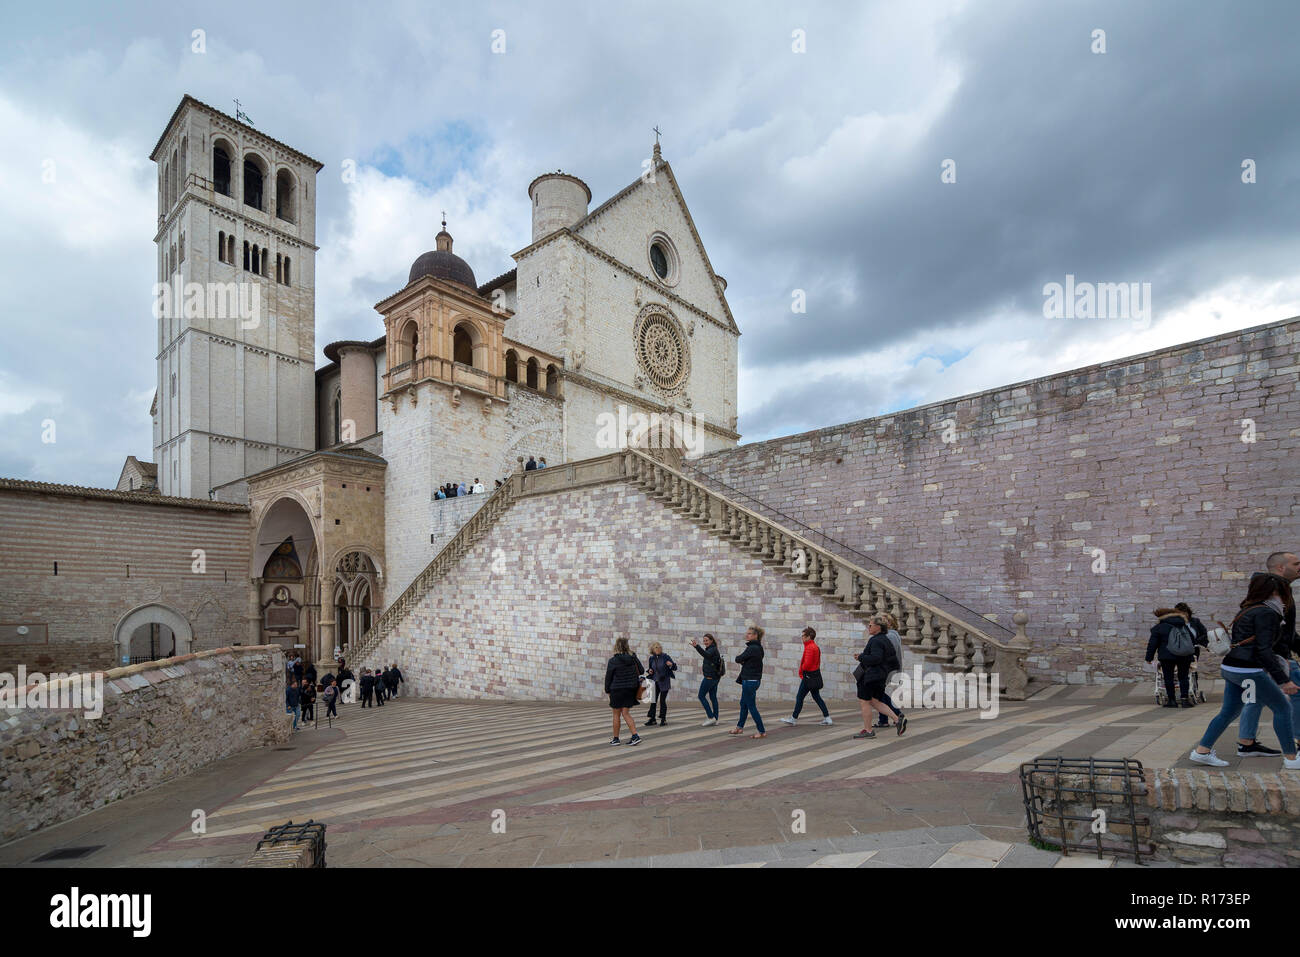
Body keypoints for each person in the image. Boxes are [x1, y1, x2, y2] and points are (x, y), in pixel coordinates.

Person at [1191, 573, 1300, 769]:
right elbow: (1263, 650)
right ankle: (1292, 759)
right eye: (1285, 593)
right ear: (1274, 592)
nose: (1287, 600)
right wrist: (1284, 680)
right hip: (1249, 670)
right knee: (1282, 708)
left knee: (1229, 711)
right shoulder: (1267, 613)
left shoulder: (1248, 609)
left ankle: (1202, 751)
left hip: (1231, 667)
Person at [1237, 552, 1300, 756]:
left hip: (1264, 657)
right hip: (1275, 657)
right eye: (1296, 563)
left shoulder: (1267, 588)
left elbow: (1287, 630)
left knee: (1254, 698)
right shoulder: (1275, 591)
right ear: (1281, 568)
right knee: (1294, 695)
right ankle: (1295, 740)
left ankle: (1246, 742)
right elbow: (1279, 631)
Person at [854, 616, 906, 738]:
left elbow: (876, 658)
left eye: (870, 625)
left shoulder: (876, 640)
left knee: (864, 702)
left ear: (878, 627)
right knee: (875, 701)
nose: (869, 627)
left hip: (871, 677)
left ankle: (868, 731)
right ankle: (898, 719)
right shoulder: (884, 639)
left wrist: (861, 657)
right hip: (880, 677)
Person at [1145, 607, 1202, 708]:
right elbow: (1192, 640)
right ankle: (1185, 700)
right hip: (1184, 655)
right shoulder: (1183, 625)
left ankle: (1172, 700)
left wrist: (1149, 658)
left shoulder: (1159, 627)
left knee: (1168, 678)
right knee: (1184, 677)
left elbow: (1152, 644)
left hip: (1167, 656)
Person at [780, 626, 832, 726]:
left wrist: (802, 669)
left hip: (808, 677)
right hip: (814, 675)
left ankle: (793, 719)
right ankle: (827, 718)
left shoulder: (810, 647)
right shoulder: (815, 647)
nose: (802, 638)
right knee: (817, 697)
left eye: (803, 636)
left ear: (809, 637)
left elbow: (807, 664)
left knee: (799, 697)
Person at [604, 638, 644, 745]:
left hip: (616, 690)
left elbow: (608, 677)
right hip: (630, 689)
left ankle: (616, 739)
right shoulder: (633, 658)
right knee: (626, 713)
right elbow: (642, 670)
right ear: (627, 646)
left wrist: (607, 690)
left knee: (616, 715)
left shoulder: (613, 661)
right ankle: (635, 735)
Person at [728, 626, 766, 738]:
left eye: (749, 633)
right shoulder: (758, 648)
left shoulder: (752, 648)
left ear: (755, 636)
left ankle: (761, 731)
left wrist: (743, 660)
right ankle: (739, 728)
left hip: (750, 680)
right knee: (743, 704)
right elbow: (752, 661)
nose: (747, 635)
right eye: (747, 633)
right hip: (752, 680)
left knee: (751, 706)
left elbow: (738, 659)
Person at [876, 615, 906, 729]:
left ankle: (896, 714)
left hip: (885, 669)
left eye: (883, 621)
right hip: (886, 669)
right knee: (879, 694)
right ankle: (884, 719)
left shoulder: (890, 636)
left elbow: (886, 654)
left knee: (878, 695)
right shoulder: (892, 635)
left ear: (890, 623)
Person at [689, 633, 723, 725]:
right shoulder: (712, 649)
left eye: (707, 640)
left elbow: (706, 655)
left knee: (701, 696)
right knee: (713, 698)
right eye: (704, 640)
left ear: (711, 640)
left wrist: (697, 647)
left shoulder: (712, 649)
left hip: (710, 677)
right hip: (715, 677)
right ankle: (715, 718)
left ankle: (711, 717)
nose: (705, 642)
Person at [644, 642, 678, 726]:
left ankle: (663, 719)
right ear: (653, 650)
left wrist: (671, 665)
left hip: (664, 681)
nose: (658, 649)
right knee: (653, 700)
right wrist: (649, 671)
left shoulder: (665, 657)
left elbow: (675, 667)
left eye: (659, 648)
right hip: (655, 681)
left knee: (662, 700)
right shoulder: (651, 658)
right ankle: (652, 719)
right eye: (656, 648)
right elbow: (650, 669)